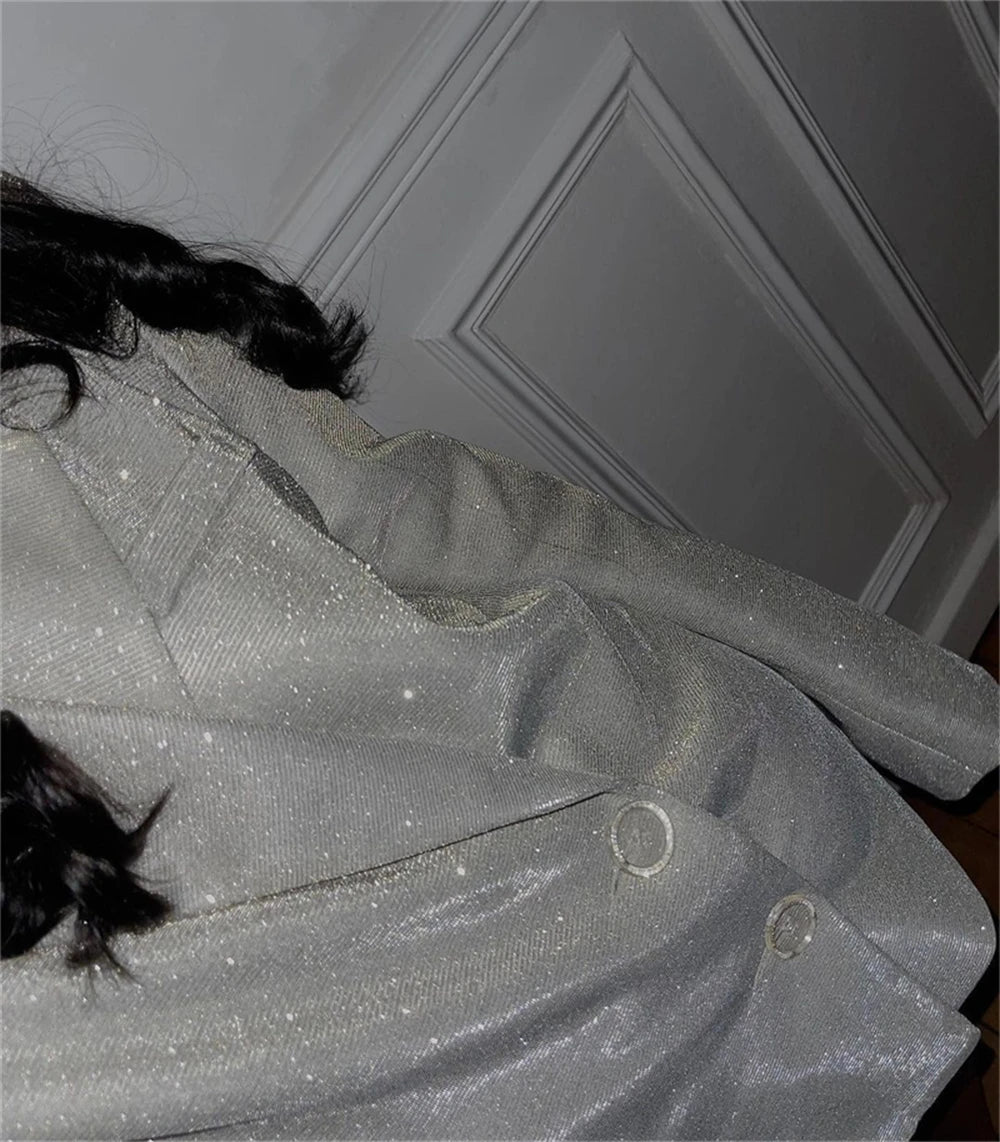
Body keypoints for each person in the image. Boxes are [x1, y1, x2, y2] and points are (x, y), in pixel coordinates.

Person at [1, 171, 996, 1141]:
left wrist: (908, 696)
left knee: (929, 1064)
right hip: (558, 1097)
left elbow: (436, 514)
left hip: (709, 794)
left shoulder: (32, 314)